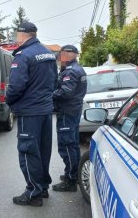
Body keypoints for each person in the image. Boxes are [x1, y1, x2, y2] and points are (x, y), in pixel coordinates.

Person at [6, 22, 58, 206]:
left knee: (28, 151)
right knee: (43, 151)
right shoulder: (48, 53)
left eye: (16, 34)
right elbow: (54, 82)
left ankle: (33, 193)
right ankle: (42, 187)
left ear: (23, 35)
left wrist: (8, 101)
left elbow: (16, 86)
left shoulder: (23, 55)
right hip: (45, 110)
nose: (15, 37)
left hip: (29, 111)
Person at [52, 45, 87, 192]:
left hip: (67, 112)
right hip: (72, 112)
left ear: (68, 55)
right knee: (72, 145)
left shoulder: (71, 72)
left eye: (61, 55)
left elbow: (65, 93)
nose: (60, 59)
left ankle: (71, 181)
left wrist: (49, 94)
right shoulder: (77, 69)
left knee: (66, 146)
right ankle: (73, 174)